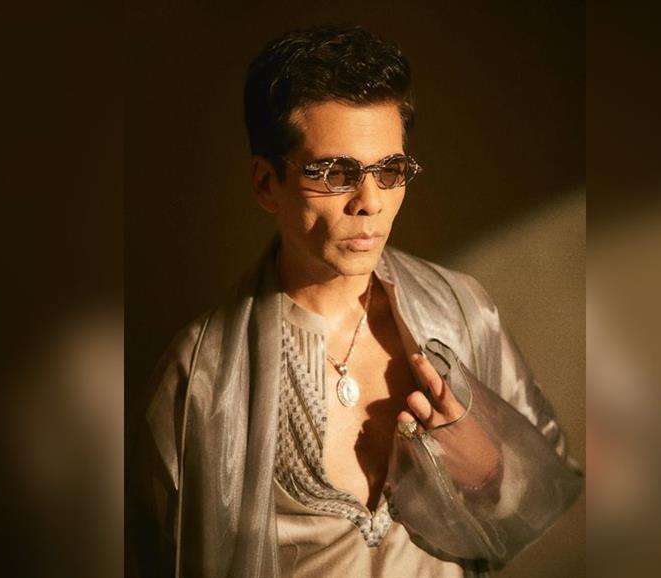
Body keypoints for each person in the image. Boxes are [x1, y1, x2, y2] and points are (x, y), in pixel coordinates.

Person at [131, 24, 582, 578]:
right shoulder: (198, 380)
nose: (370, 202)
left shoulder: (463, 313)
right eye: (334, 173)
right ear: (267, 184)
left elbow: (550, 497)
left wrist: (490, 472)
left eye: (390, 170)